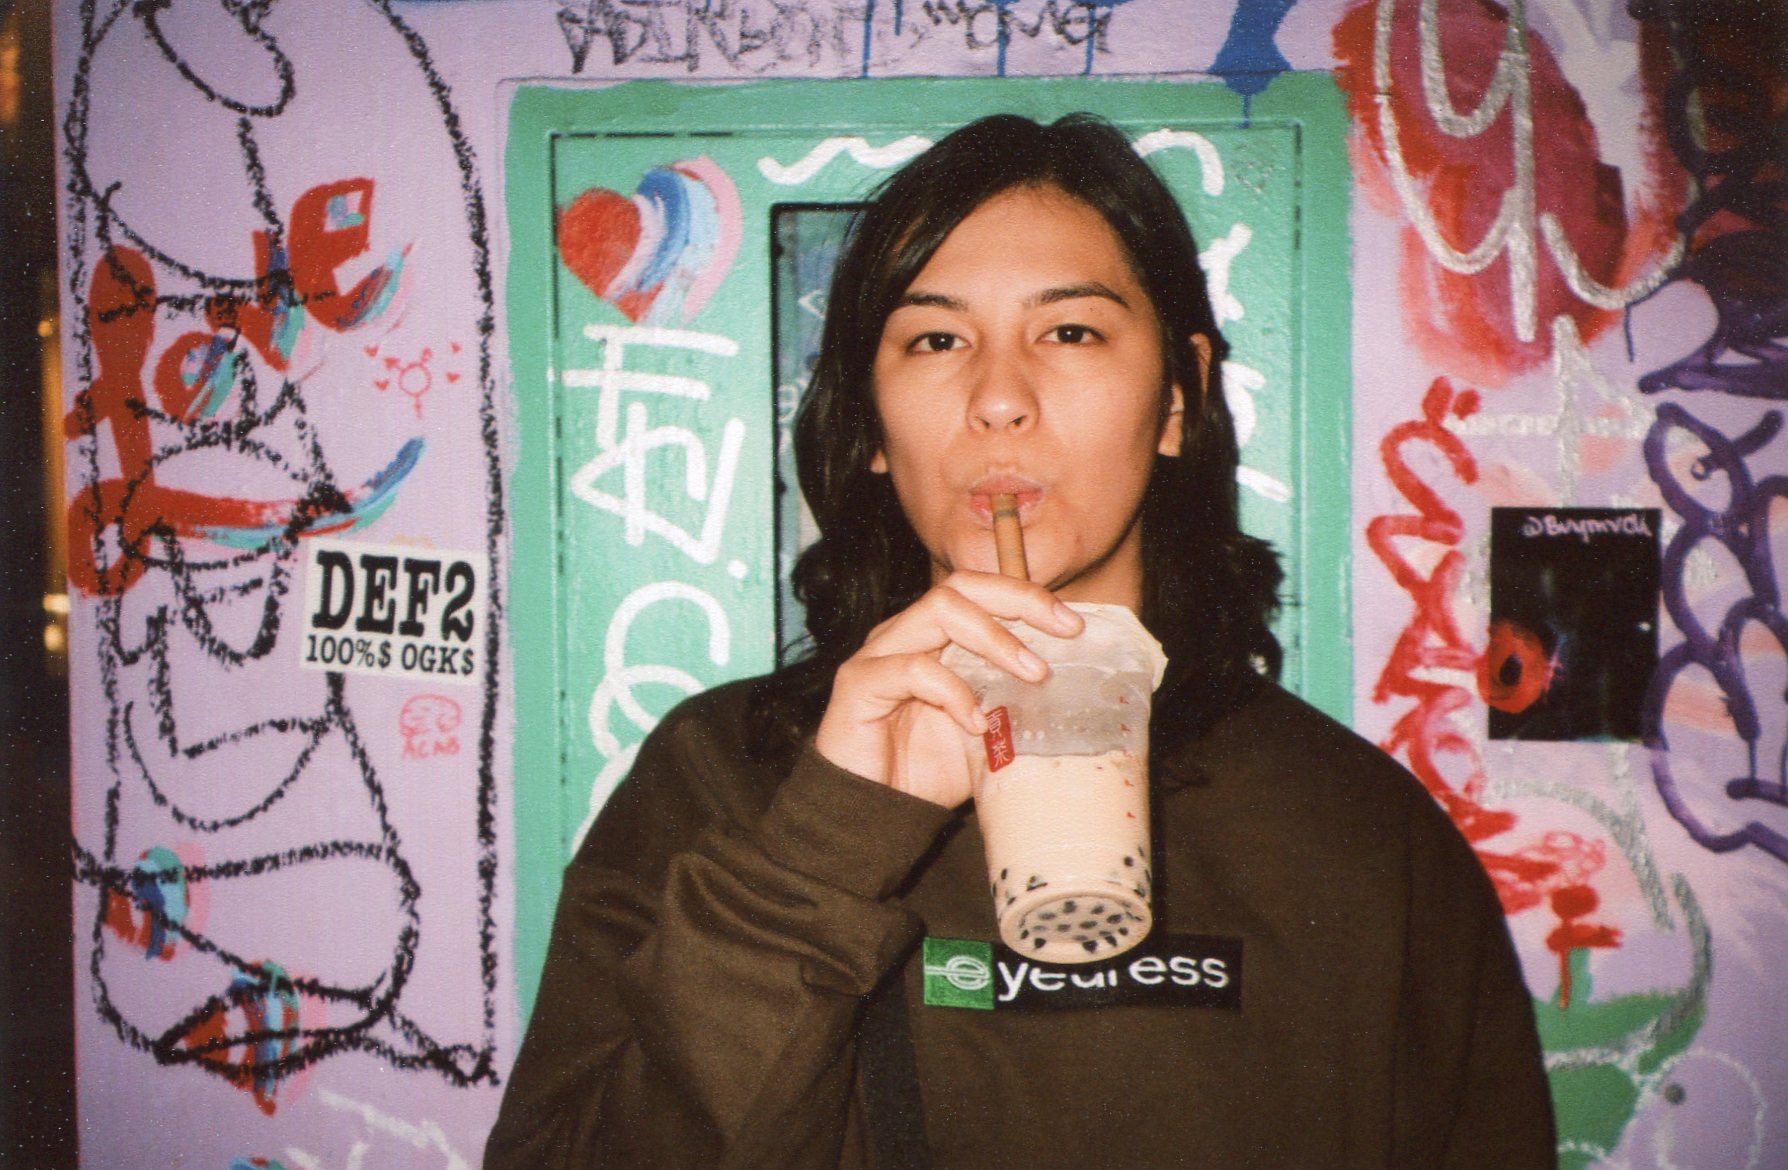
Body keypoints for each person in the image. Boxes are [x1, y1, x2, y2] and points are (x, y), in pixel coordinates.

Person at [484, 113, 1556, 1169]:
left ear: (1179, 397)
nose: (999, 399)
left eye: (1072, 331)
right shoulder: (724, 775)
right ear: (868, 420)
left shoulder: (1356, 830)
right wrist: (826, 847)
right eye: (936, 339)